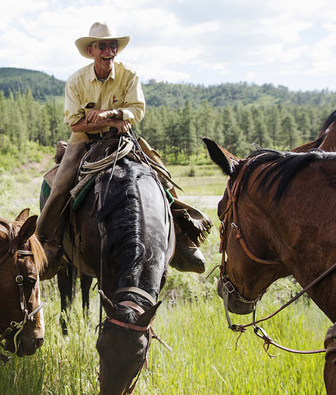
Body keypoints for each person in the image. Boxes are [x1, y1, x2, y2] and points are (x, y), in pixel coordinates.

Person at [37, 22, 208, 278]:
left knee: (161, 175)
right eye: (103, 46)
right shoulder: (76, 81)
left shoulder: (129, 75)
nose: (109, 51)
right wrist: (112, 120)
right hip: (85, 141)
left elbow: (137, 110)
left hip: (123, 138)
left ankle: (182, 238)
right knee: (57, 185)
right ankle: (47, 244)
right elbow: (75, 122)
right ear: (92, 50)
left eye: (113, 45)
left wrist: (110, 114)